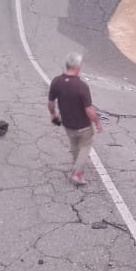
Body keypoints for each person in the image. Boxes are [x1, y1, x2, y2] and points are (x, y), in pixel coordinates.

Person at [48, 53, 103, 186]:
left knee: (74, 145)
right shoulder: (81, 86)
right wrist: (97, 122)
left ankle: (76, 169)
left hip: (68, 124)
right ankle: (77, 174)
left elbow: (50, 102)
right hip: (83, 125)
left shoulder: (56, 81)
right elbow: (89, 110)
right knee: (85, 147)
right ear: (77, 67)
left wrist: (54, 115)